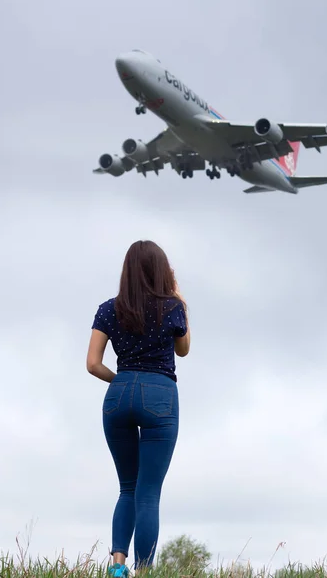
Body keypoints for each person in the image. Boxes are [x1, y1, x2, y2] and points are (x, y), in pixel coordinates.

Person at [86, 240, 191, 577]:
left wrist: (121, 381)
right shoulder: (172, 307)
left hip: (118, 395)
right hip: (160, 393)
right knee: (148, 493)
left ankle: (117, 567)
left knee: (127, 487)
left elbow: (92, 364)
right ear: (162, 272)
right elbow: (184, 350)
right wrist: (181, 300)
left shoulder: (107, 308)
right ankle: (143, 572)